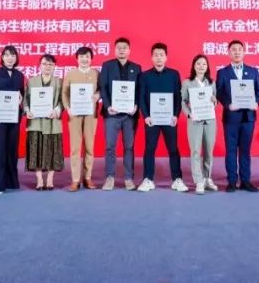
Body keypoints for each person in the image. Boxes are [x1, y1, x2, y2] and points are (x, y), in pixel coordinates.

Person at [215, 40, 259, 192]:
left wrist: (256, 102)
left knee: (245, 150)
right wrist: (227, 104)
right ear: (229, 53)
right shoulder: (223, 72)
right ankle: (231, 181)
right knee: (230, 150)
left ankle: (246, 181)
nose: (236, 52)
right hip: (231, 117)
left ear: (244, 52)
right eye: (233, 50)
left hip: (248, 117)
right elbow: (219, 92)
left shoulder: (253, 71)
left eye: (239, 49)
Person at [138, 43, 186, 192]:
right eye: (156, 55)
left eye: (161, 55)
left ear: (166, 57)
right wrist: (146, 116)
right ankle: (148, 179)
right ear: (151, 58)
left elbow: (178, 97)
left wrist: (176, 115)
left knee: (173, 149)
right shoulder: (144, 76)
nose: (158, 58)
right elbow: (141, 98)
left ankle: (177, 179)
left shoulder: (174, 74)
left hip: (169, 119)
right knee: (150, 149)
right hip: (151, 120)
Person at [97, 37, 141, 191]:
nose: (121, 50)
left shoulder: (136, 68)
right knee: (110, 146)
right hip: (112, 114)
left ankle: (129, 178)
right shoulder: (107, 66)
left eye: (124, 47)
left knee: (129, 146)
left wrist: (136, 105)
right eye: (119, 48)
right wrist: (108, 106)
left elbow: (139, 90)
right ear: (114, 50)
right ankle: (110, 177)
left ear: (129, 50)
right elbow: (103, 87)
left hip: (129, 115)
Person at [0, 45, 25, 195]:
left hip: (14, 118)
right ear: (2, 57)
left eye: (13, 55)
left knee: (11, 149)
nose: (10, 58)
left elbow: (21, 95)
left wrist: (21, 100)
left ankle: (11, 181)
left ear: (16, 58)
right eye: (7, 55)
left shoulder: (19, 75)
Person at [62, 46, 100, 192]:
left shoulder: (96, 73)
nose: (84, 59)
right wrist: (67, 108)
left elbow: (101, 89)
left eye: (87, 57)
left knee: (90, 146)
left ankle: (88, 177)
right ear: (77, 59)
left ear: (91, 59)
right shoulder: (71, 74)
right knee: (75, 147)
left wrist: (98, 95)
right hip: (74, 114)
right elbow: (64, 93)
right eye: (82, 57)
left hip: (91, 114)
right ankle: (75, 180)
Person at [25, 54, 64, 190]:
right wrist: (27, 110)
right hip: (35, 122)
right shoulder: (31, 81)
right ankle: (40, 179)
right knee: (36, 150)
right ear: (39, 66)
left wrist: (57, 110)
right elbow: (25, 100)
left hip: (53, 121)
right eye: (45, 64)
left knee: (52, 150)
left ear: (54, 67)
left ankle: (50, 179)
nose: (47, 66)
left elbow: (63, 100)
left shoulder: (59, 82)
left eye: (50, 64)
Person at [181, 54, 219, 195]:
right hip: (194, 120)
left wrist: (215, 101)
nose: (201, 66)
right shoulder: (187, 83)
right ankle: (199, 181)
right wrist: (189, 114)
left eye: (204, 64)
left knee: (209, 151)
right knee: (196, 151)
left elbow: (215, 101)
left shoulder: (211, 82)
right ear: (194, 66)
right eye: (198, 64)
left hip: (210, 120)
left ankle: (207, 178)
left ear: (207, 67)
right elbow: (183, 101)